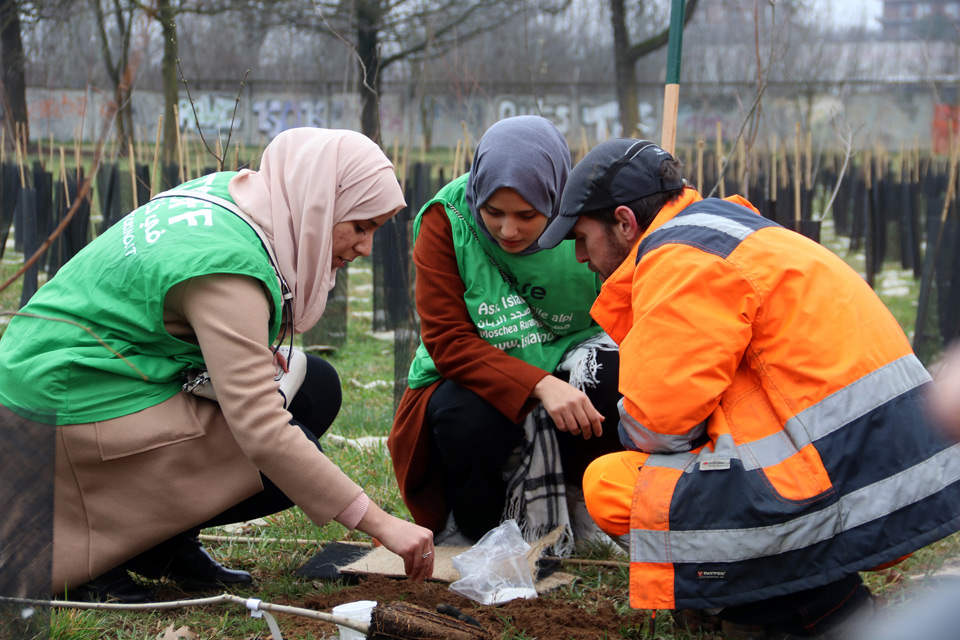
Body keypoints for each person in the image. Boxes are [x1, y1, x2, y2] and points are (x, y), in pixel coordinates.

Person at [537, 138, 960, 638]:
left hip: (842, 485)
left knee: (612, 485)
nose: (581, 257)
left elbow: (658, 428)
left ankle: (782, 609)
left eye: (583, 238)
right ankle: (807, 596)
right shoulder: (725, 231)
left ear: (625, 222)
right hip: (887, 469)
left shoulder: (678, 261)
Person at [0, 127, 434, 603]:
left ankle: (163, 544)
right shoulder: (227, 268)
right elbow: (263, 431)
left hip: (67, 368)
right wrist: (380, 522)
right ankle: (98, 560)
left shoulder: (239, 194)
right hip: (57, 409)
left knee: (319, 387)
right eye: (360, 226)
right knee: (287, 455)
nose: (367, 247)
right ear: (317, 205)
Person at [387, 116, 623, 548]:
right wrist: (539, 384)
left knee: (610, 380)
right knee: (466, 417)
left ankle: (584, 503)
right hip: (472, 364)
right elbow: (447, 342)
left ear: (555, 200)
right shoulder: (449, 218)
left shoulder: (588, 219)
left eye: (527, 215)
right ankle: (479, 521)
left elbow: (626, 314)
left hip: (572, 350)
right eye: (492, 213)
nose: (508, 231)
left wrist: (560, 380)